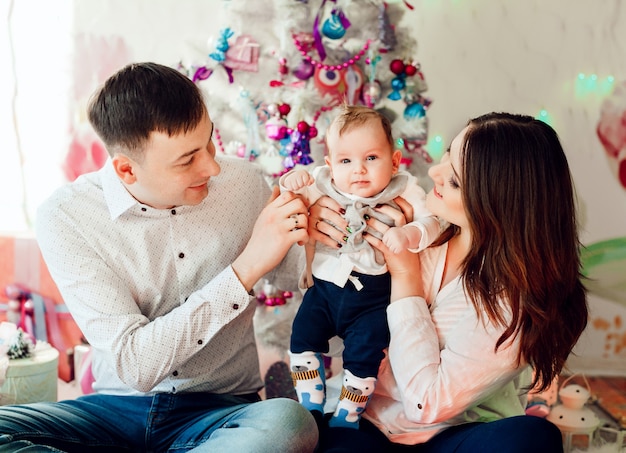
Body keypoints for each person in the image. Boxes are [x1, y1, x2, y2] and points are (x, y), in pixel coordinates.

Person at [0, 62, 318, 453]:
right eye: (187, 160)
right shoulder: (67, 216)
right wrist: (245, 268)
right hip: (113, 412)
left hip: (223, 413)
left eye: (209, 142)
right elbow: (136, 366)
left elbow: (297, 275)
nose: (213, 166)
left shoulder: (244, 184)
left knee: (288, 423)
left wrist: (323, 230)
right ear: (126, 170)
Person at [308, 112, 588, 452]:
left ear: (496, 203)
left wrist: (406, 277)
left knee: (532, 438)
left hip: (455, 434)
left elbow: (427, 404)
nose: (432, 173)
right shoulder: (413, 228)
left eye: (454, 180)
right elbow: (332, 320)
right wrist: (324, 231)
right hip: (368, 422)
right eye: (447, 156)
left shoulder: (513, 298)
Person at [282, 105, 441, 429]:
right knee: (302, 336)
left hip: (372, 297)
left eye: (371, 158)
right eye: (345, 161)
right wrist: (291, 179)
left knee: (365, 352)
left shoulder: (405, 188)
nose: (359, 170)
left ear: (394, 161)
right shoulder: (322, 182)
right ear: (329, 164)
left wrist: (408, 232)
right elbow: (290, 197)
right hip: (325, 287)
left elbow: (432, 222)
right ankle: (310, 403)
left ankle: (347, 414)